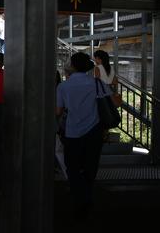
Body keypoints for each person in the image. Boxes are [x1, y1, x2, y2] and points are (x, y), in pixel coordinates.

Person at [56, 52, 111, 219]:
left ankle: (81, 198)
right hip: (94, 131)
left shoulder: (63, 86)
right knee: (90, 167)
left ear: (72, 66)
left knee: (72, 167)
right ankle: (86, 197)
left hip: (73, 131)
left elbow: (58, 111)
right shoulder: (95, 83)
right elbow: (113, 102)